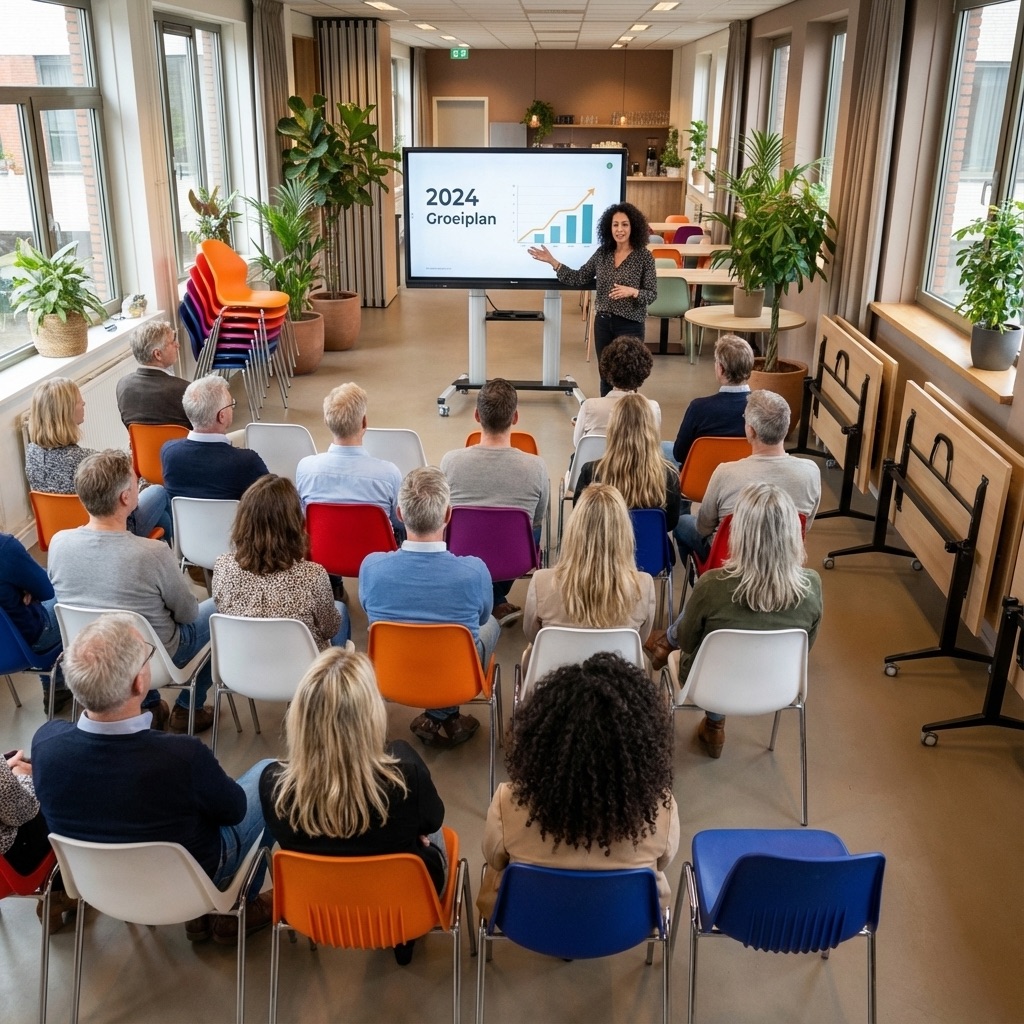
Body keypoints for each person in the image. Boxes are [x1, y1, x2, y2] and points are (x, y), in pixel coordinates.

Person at [31, 613, 274, 944]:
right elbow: (234, 812)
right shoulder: (181, 756)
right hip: (198, 876)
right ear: (139, 684)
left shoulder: (45, 743)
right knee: (270, 775)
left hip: (101, 886)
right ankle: (237, 908)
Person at [260, 647, 445, 965]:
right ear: (370, 713)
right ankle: (402, 937)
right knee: (433, 835)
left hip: (316, 905)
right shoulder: (404, 775)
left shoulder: (273, 784)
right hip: (400, 899)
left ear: (300, 716)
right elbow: (434, 819)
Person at [477, 651, 678, 917]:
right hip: (622, 922)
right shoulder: (661, 811)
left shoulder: (507, 803)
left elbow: (494, 858)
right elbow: (664, 861)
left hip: (530, 917)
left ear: (542, 739)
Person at [646, 483, 823, 758]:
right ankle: (714, 725)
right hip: (778, 686)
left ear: (740, 533)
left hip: (709, 686)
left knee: (707, 647)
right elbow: (806, 647)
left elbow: (690, 642)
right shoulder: (812, 586)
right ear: (792, 535)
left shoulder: (713, 584)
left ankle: (715, 722)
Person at [47, 449, 216, 733]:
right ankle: (189, 707)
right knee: (221, 607)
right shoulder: (153, 553)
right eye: (136, 482)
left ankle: (149, 704)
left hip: (95, 655)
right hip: (159, 655)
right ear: (125, 497)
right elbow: (188, 613)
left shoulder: (59, 544)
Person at [359, 467, 499, 748]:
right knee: (491, 623)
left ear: (399, 514)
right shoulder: (474, 572)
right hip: (459, 679)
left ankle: (437, 716)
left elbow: (367, 610)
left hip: (391, 676)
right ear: (448, 515)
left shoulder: (371, 567)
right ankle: (446, 714)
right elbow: (483, 617)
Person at [440, 379, 550, 624]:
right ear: (515, 418)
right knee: (532, 525)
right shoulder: (536, 467)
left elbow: (443, 515)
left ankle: (487, 600)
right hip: (515, 556)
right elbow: (537, 521)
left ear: (477, 416)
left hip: (462, 551)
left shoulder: (450, 462)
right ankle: (496, 599)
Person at [672, 389, 821, 564]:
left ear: (750, 431)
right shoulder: (811, 472)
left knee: (681, 523)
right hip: (783, 561)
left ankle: (700, 580)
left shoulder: (726, 473)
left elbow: (703, 527)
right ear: (785, 427)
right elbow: (804, 526)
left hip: (730, 562)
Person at [522, 483, 655, 674]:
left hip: (555, 684)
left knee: (530, 652)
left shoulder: (541, 582)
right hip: (618, 684)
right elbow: (639, 640)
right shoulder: (644, 585)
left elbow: (533, 636)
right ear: (624, 532)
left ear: (574, 529)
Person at [529, 202, 657, 396]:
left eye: (625, 224)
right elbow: (579, 277)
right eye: (615, 225)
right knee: (606, 374)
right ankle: (605, 419)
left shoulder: (644, 257)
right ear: (609, 227)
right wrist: (553, 262)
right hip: (603, 323)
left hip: (630, 324)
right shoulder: (602, 254)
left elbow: (652, 294)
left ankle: (626, 420)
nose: (620, 230)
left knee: (628, 377)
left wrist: (633, 291)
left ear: (633, 227)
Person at [212, 474, 350, 649]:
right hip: (305, 672)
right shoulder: (313, 576)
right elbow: (329, 630)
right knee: (341, 609)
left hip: (243, 666)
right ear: (294, 524)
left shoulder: (222, 566)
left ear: (243, 521)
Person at [25, 377, 171, 540]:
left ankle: (170, 552)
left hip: (61, 534)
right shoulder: (85, 461)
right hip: (111, 531)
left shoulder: (32, 453)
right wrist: (142, 481)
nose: (84, 403)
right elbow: (125, 496)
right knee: (159, 492)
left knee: (161, 518)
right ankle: (176, 556)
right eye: (79, 401)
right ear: (66, 412)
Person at [295, 382, 403, 535]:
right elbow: (399, 520)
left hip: (320, 557)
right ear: (364, 422)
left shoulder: (305, 469)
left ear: (326, 421)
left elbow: (303, 518)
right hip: (375, 556)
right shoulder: (389, 474)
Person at [574, 392, 681, 530]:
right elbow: (670, 523)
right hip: (653, 550)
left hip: (606, 550)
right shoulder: (669, 475)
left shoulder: (592, 472)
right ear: (651, 430)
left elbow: (581, 519)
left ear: (613, 429)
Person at [0, 748, 77, 931]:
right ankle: (60, 898)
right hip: (18, 871)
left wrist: (5, 768)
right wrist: (22, 775)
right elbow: (22, 813)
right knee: (62, 791)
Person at [160, 375, 268, 501]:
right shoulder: (247, 461)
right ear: (221, 416)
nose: (232, 409)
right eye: (231, 405)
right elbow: (274, 501)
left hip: (184, 521)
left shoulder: (169, 452)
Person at [0, 531, 70, 714]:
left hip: (6, 647)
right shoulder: (4, 547)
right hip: (26, 645)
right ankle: (58, 686)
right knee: (68, 589)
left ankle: (57, 687)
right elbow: (47, 591)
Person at [669, 333, 754, 468]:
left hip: (699, 483)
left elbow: (679, 454)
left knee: (663, 448)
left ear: (721, 369)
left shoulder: (698, 408)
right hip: (745, 481)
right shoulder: (761, 408)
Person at [572, 335, 661, 446]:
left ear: (606, 369)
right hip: (638, 463)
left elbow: (578, 444)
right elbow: (653, 445)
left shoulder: (590, 407)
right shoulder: (652, 408)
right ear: (644, 371)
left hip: (598, 462)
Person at [115, 318, 191, 429]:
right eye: (173, 341)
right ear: (158, 354)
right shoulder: (184, 389)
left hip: (142, 446)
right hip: (178, 445)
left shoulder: (123, 385)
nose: (177, 345)